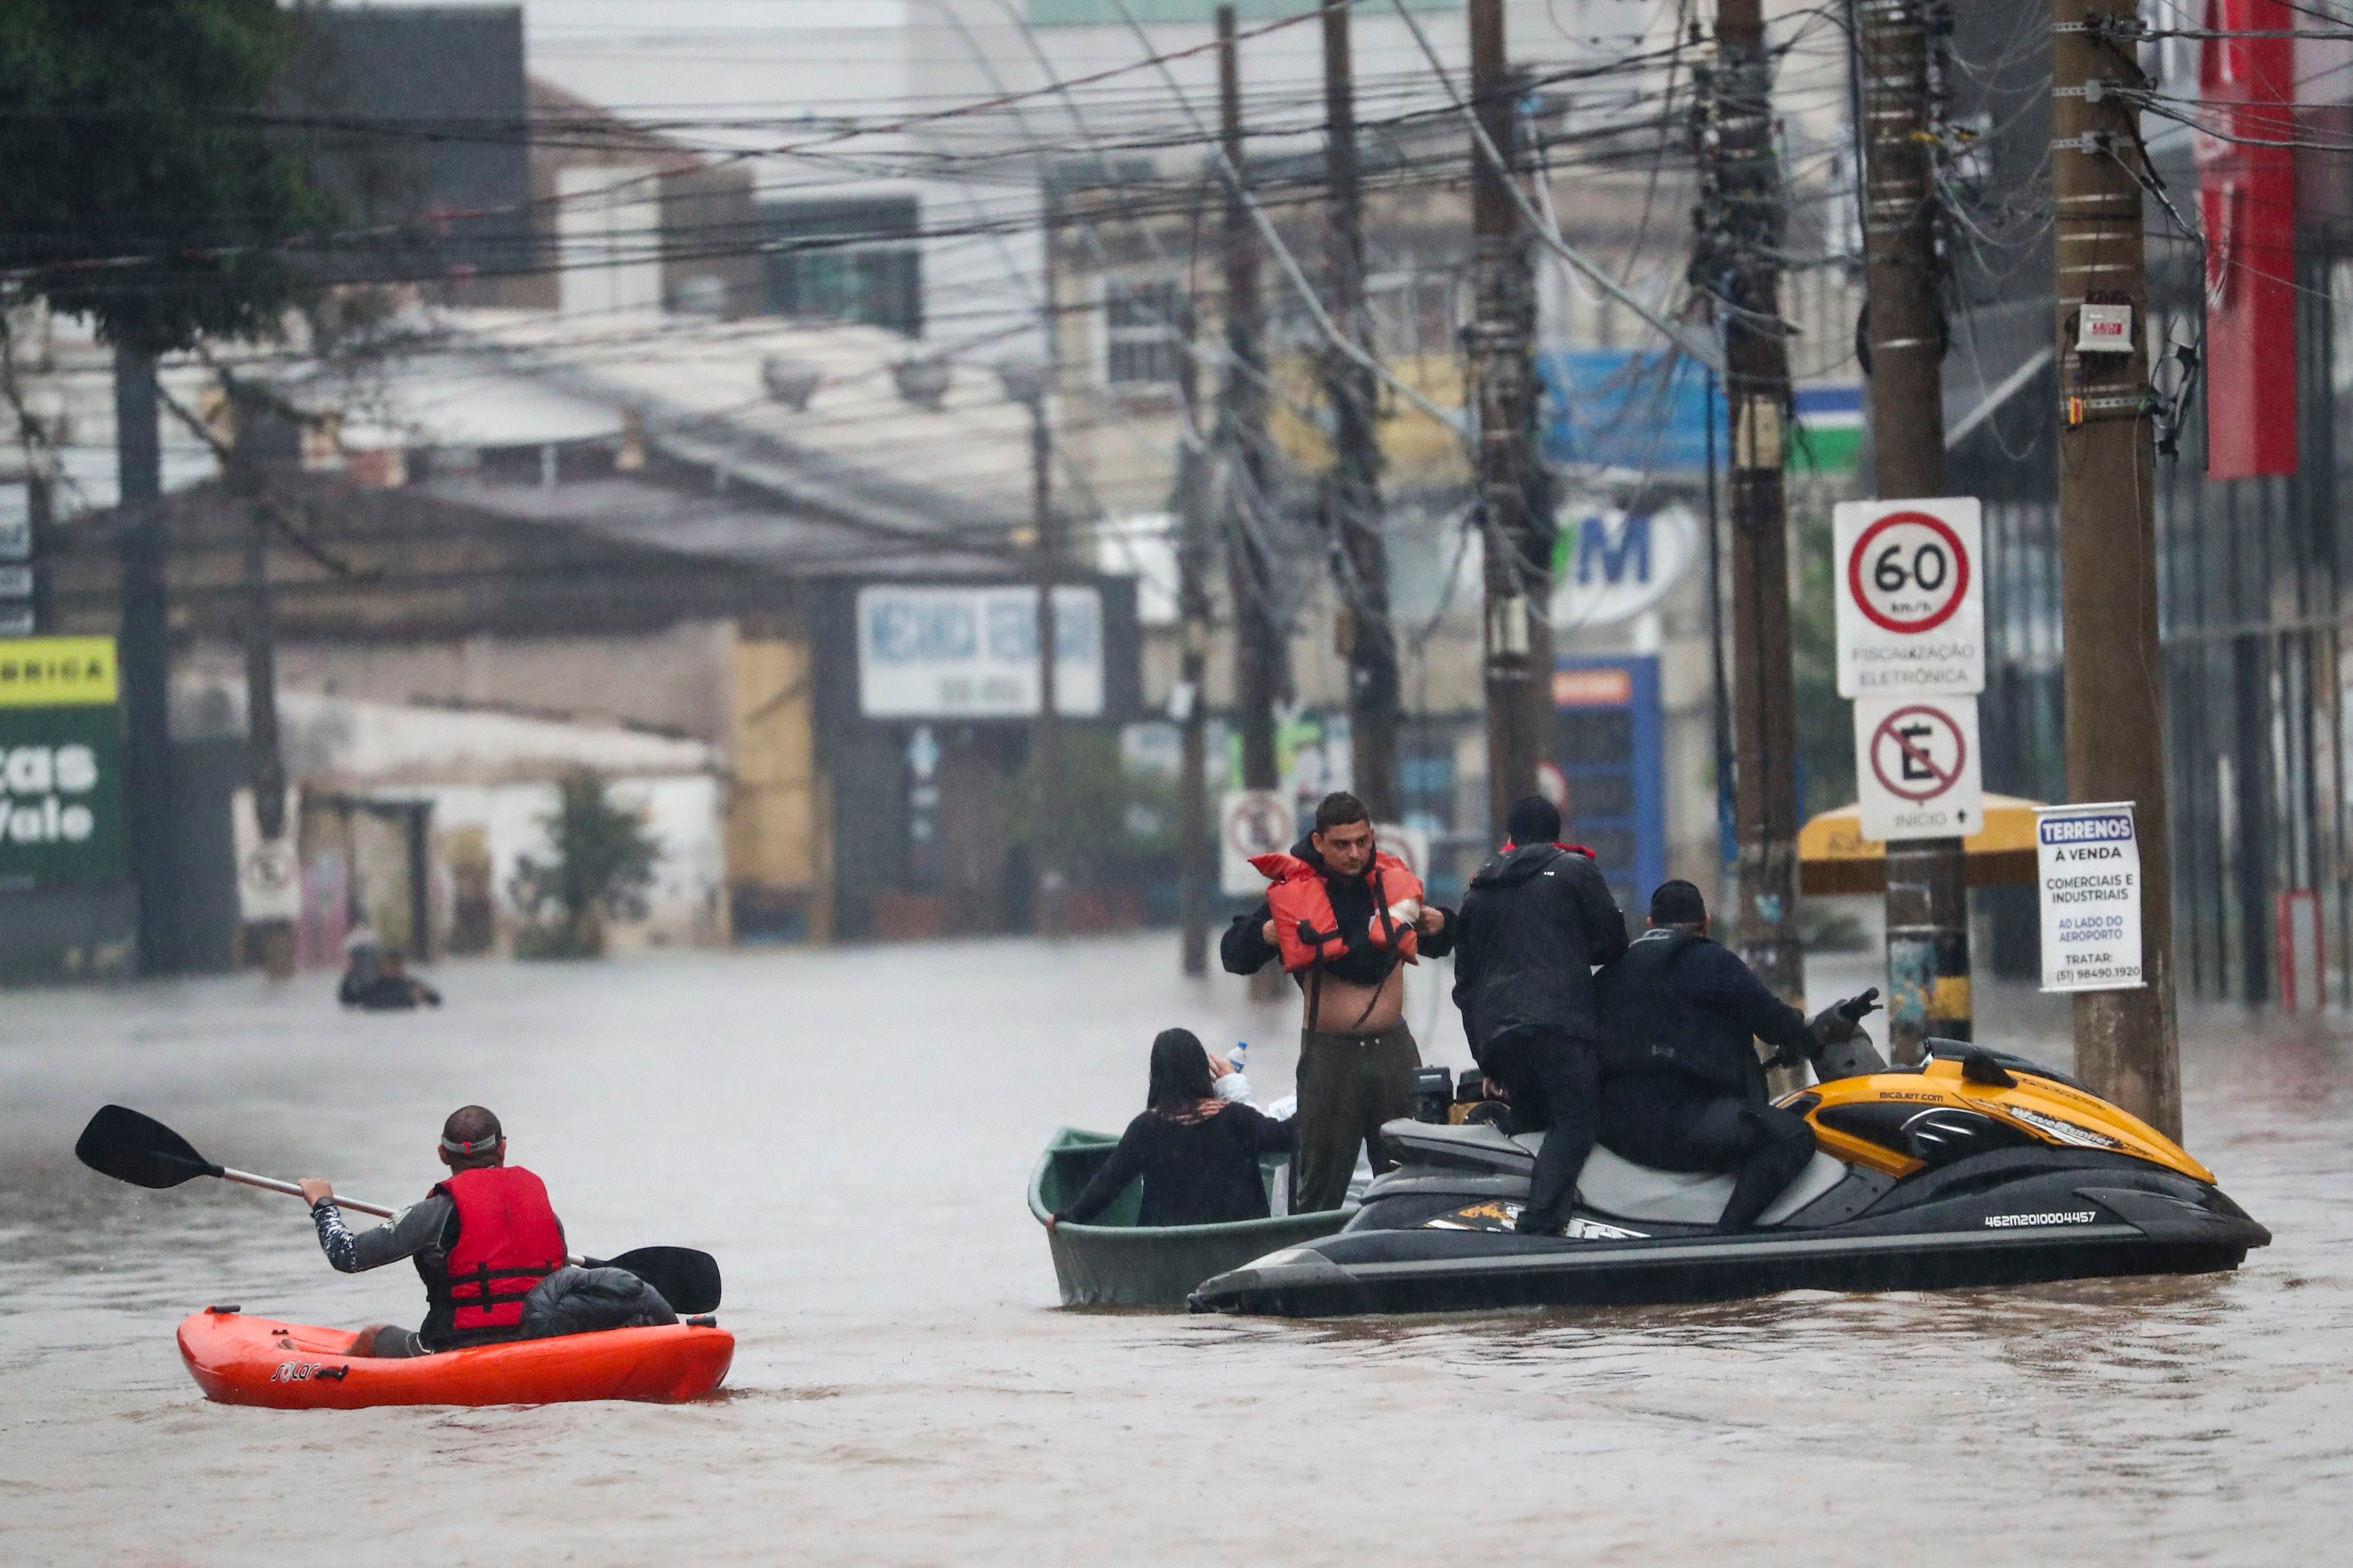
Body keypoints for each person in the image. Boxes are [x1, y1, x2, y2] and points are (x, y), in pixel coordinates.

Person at [1595, 880, 1878, 1233]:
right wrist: (1807, 1038)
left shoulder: (1611, 974)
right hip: (1681, 1123)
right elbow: (1772, 1019)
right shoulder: (1712, 962)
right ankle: (1728, 1239)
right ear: (1706, 924)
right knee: (1792, 1137)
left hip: (1615, 1126)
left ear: (1650, 924)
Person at [1220, 792, 1456, 1212]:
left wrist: (1442, 924)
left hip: (1394, 1049)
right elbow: (1232, 955)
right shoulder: (1294, 891)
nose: (1354, 853)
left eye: (1362, 842)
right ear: (1319, 842)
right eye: (1342, 844)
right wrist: (1265, 935)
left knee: (1412, 1173)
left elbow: (1448, 943)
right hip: (1330, 1056)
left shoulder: (1392, 885)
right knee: (1320, 1183)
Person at [1449, 795, 1628, 1236]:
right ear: (1557, 833)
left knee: (1531, 1124)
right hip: (1559, 1025)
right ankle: (1541, 1225)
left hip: (1499, 1036)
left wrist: (1486, 1059)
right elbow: (1613, 943)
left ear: (1509, 837)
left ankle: (1514, 1216)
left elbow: (1465, 985)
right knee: (1575, 1121)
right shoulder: (1573, 871)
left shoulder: (1476, 892)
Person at [296, 1104, 565, 1357]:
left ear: (443, 1154)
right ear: (502, 1148)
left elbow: (347, 1255)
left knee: (371, 1336)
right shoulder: (545, 1214)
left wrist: (323, 1205)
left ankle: (315, 1373)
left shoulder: (436, 1213)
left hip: (456, 1348)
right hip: (541, 1341)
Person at [1048, 1029, 1296, 1228]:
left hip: (1168, 1251)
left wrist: (1070, 1217)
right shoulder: (1237, 1119)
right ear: (1202, 1072)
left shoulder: (1146, 1129)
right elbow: (1287, 1137)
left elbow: (1108, 1184)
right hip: (1241, 1246)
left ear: (1156, 1076)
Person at [339, 946, 442, 1011]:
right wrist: (350, 976)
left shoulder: (410, 984)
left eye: (397, 966)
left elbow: (436, 1001)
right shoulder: (372, 985)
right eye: (390, 966)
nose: (394, 969)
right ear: (380, 967)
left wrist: (428, 994)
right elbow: (348, 1000)